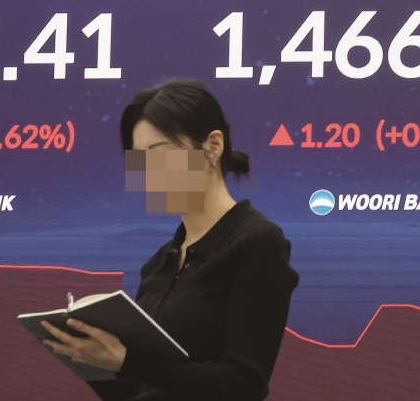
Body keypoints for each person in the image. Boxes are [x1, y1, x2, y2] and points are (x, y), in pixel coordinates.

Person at [41, 79, 300, 401]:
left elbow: (243, 383)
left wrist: (126, 361)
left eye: (160, 152)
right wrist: (92, 356)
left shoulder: (257, 242)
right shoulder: (159, 264)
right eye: (138, 158)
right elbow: (143, 388)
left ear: (213, 146)